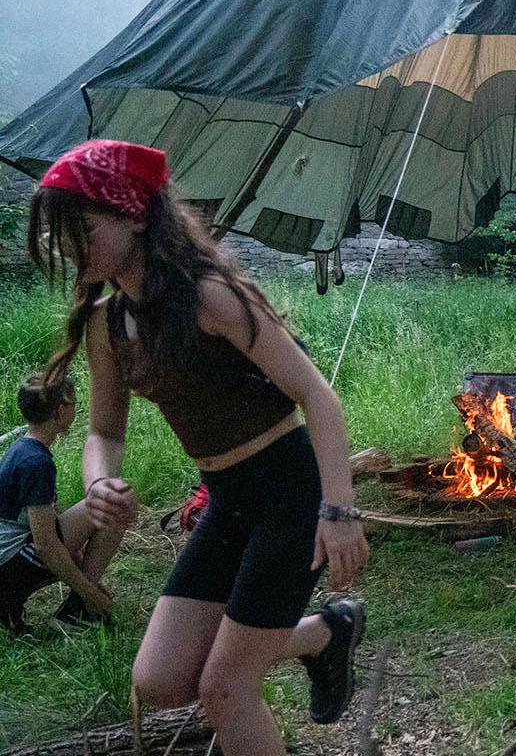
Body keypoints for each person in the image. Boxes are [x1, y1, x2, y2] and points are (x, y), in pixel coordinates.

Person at [27, 139, 369, 754]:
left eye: (79, 227)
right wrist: (99, 479)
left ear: (132, 214)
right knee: (158, 681)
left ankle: (304, 640)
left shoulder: (208, 295)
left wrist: (339, 512)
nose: (67, 246)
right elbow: (104, 432)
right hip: (227, 499)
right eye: (60, 233)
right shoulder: (108, 323)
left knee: (227, 688)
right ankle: (323, 633)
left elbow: (318, 397)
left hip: (291, 490)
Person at [1, 373, 125, 635]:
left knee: (108, 500)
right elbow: (46, 545)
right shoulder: (37, 464)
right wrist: (87, 590)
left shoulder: (21, 448)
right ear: (59, 411)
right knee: (117, 502)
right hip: (8, 571)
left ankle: (76, 607)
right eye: (74, 406)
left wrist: (84, 576)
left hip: (8, 563)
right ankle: (78, 611)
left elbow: (52, 527)